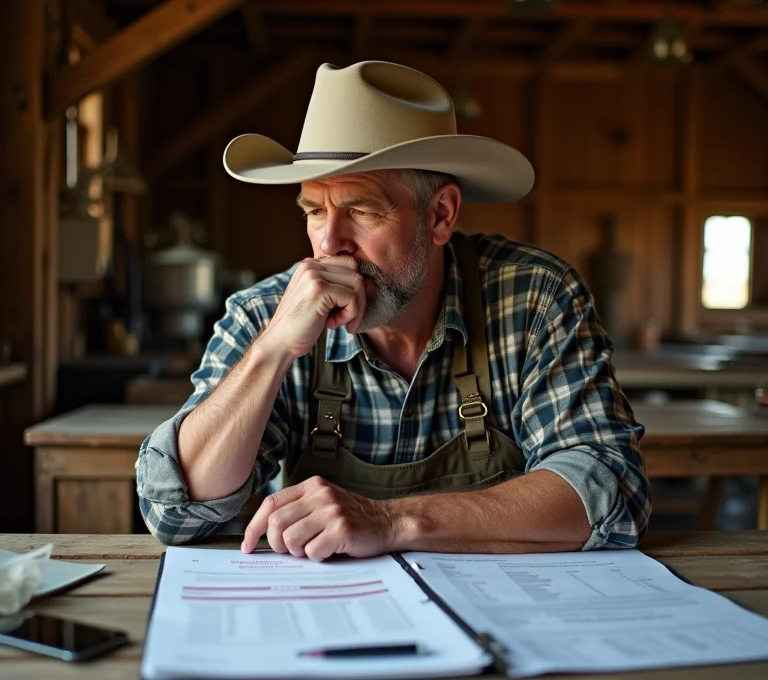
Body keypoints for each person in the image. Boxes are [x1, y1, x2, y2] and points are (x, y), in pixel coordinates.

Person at [137, 60, 650, 560]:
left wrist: (390, 521)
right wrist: (271, 350)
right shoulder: (263, 313)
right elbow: (175, 512)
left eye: (361, 211)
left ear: (440, 216)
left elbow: (609, 486)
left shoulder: (536, 297)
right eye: (315, 211)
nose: (330, 243)